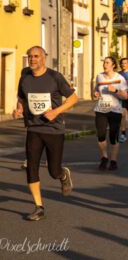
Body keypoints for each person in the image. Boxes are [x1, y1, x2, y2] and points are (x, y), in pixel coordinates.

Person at [12, 46, 78, 221]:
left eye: (35, 56)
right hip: (33, 128)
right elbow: (21, 97)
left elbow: (73, 99)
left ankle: (63, 175)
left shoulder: (55, 77)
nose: (32, 59)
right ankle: (38, 207)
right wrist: (19, 109)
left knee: (53, 170)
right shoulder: (25, 76)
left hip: (54, 129)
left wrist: (56, 112)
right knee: (31, 167)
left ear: (43, 58)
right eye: (30, 56)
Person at [94, 57, 128, 171]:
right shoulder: (99, 76)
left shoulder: (120, 79)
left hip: (115, 110)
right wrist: (96, 94)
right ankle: (104, 157)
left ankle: (113, 161)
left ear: (113, 65)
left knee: (113, 137)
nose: (105, 64)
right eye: (104, 62)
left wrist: (116, 91)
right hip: (101, 109)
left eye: (107, 63)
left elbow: (125, 96)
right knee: (101, 135)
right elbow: (96, 89)